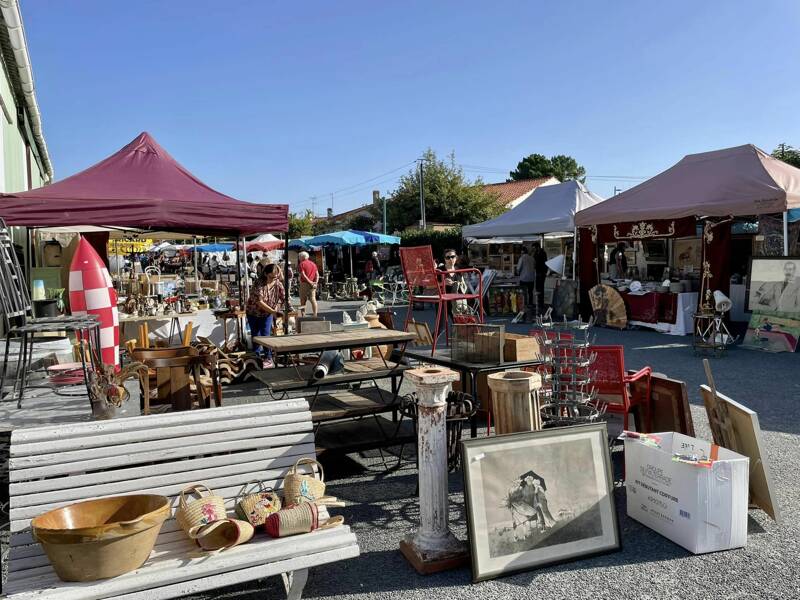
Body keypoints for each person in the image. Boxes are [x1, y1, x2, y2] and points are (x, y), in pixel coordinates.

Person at [245, 264, 284, 368]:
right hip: (253, 312)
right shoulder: (259, 283)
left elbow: (283, 298)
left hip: (267, 313)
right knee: (256, 335)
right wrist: (273, 311)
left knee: (266, 334)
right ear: (266, 274)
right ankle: (256, 356)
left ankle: (268, 357)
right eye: (271, 277)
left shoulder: (277, 284)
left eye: (275, 277)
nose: (273, 279)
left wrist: (279, 306)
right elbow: (259, 302)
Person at [297, 251, 319, 317]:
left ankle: (303, 315)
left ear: (302, 257)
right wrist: (315, 283)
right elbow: (317, 274)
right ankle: (315, 314)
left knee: (303, 300)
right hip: (313, 284)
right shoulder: (313, 264)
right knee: (313, 299)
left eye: (299, 257)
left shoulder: (301, 264)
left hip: (304, 283)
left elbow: (303, 275)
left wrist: (310, 282)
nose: (299, 258)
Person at [516, 246, 536, 312]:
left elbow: (518, 269)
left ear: (522, 252)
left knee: (523, 292)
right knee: (530, 292)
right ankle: (530, 305)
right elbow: (534, 266)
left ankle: (524, 305)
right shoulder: (532, 258)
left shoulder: (522, 258)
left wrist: (518, 273)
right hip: (531, 278)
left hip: (524, 278)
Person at [533, 243, 548, 314]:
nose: (533, 249)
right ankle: (538, 303)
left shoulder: (542, 253)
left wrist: (544, 272)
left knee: (541, 288)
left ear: (537, 247)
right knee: (538, 288)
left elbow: (544, 263)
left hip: (541, 273)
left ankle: (541, 304)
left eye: (534, 248)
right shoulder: (536, 253)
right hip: (538, 272)